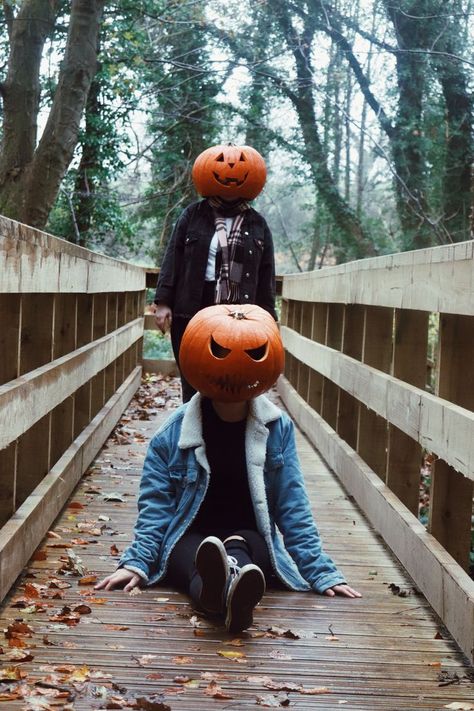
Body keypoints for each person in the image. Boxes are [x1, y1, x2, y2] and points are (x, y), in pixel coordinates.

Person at [95, 305, 361, 633]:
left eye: (253, 352)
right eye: (219, 351)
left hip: (250, 537)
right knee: (198, 557)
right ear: (194, 359)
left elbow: (293, 506)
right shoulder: (171, 434)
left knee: (243, 549)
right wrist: (137, 562)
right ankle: (228, 597)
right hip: (189, 536)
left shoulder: (277, 429)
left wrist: (321, 572)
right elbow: (155, 510)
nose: (235, 366)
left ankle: (225, 593)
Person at [153, 143, 277, 402]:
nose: (231, 168)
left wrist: (269, 319)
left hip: (239, 312)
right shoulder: (193, 215)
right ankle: (193, 436)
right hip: (193, 305)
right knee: (193, 376)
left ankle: (228, 436)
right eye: (221, 161)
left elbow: (266, 275)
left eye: (240, 162)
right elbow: (173, 257)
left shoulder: (257, 224)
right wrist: (163, 302)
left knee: (233, 379)